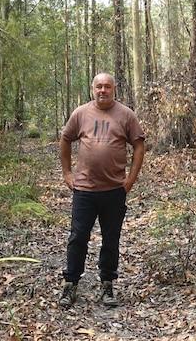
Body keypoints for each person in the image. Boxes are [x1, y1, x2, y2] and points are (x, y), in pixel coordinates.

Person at [58, 73, 145, 308]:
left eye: (107, 87)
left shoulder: (126, 115)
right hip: (84, 190)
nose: (103, 90)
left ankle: (107, 285)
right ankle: (70, 285)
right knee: (78, 238)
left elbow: (139, 146)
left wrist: (131, 179)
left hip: (114, 191)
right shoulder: (81, 113)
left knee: (110, 240)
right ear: (92, 88)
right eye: (99, 87)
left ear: (114, 89)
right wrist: (67, 173)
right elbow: (65, 140)